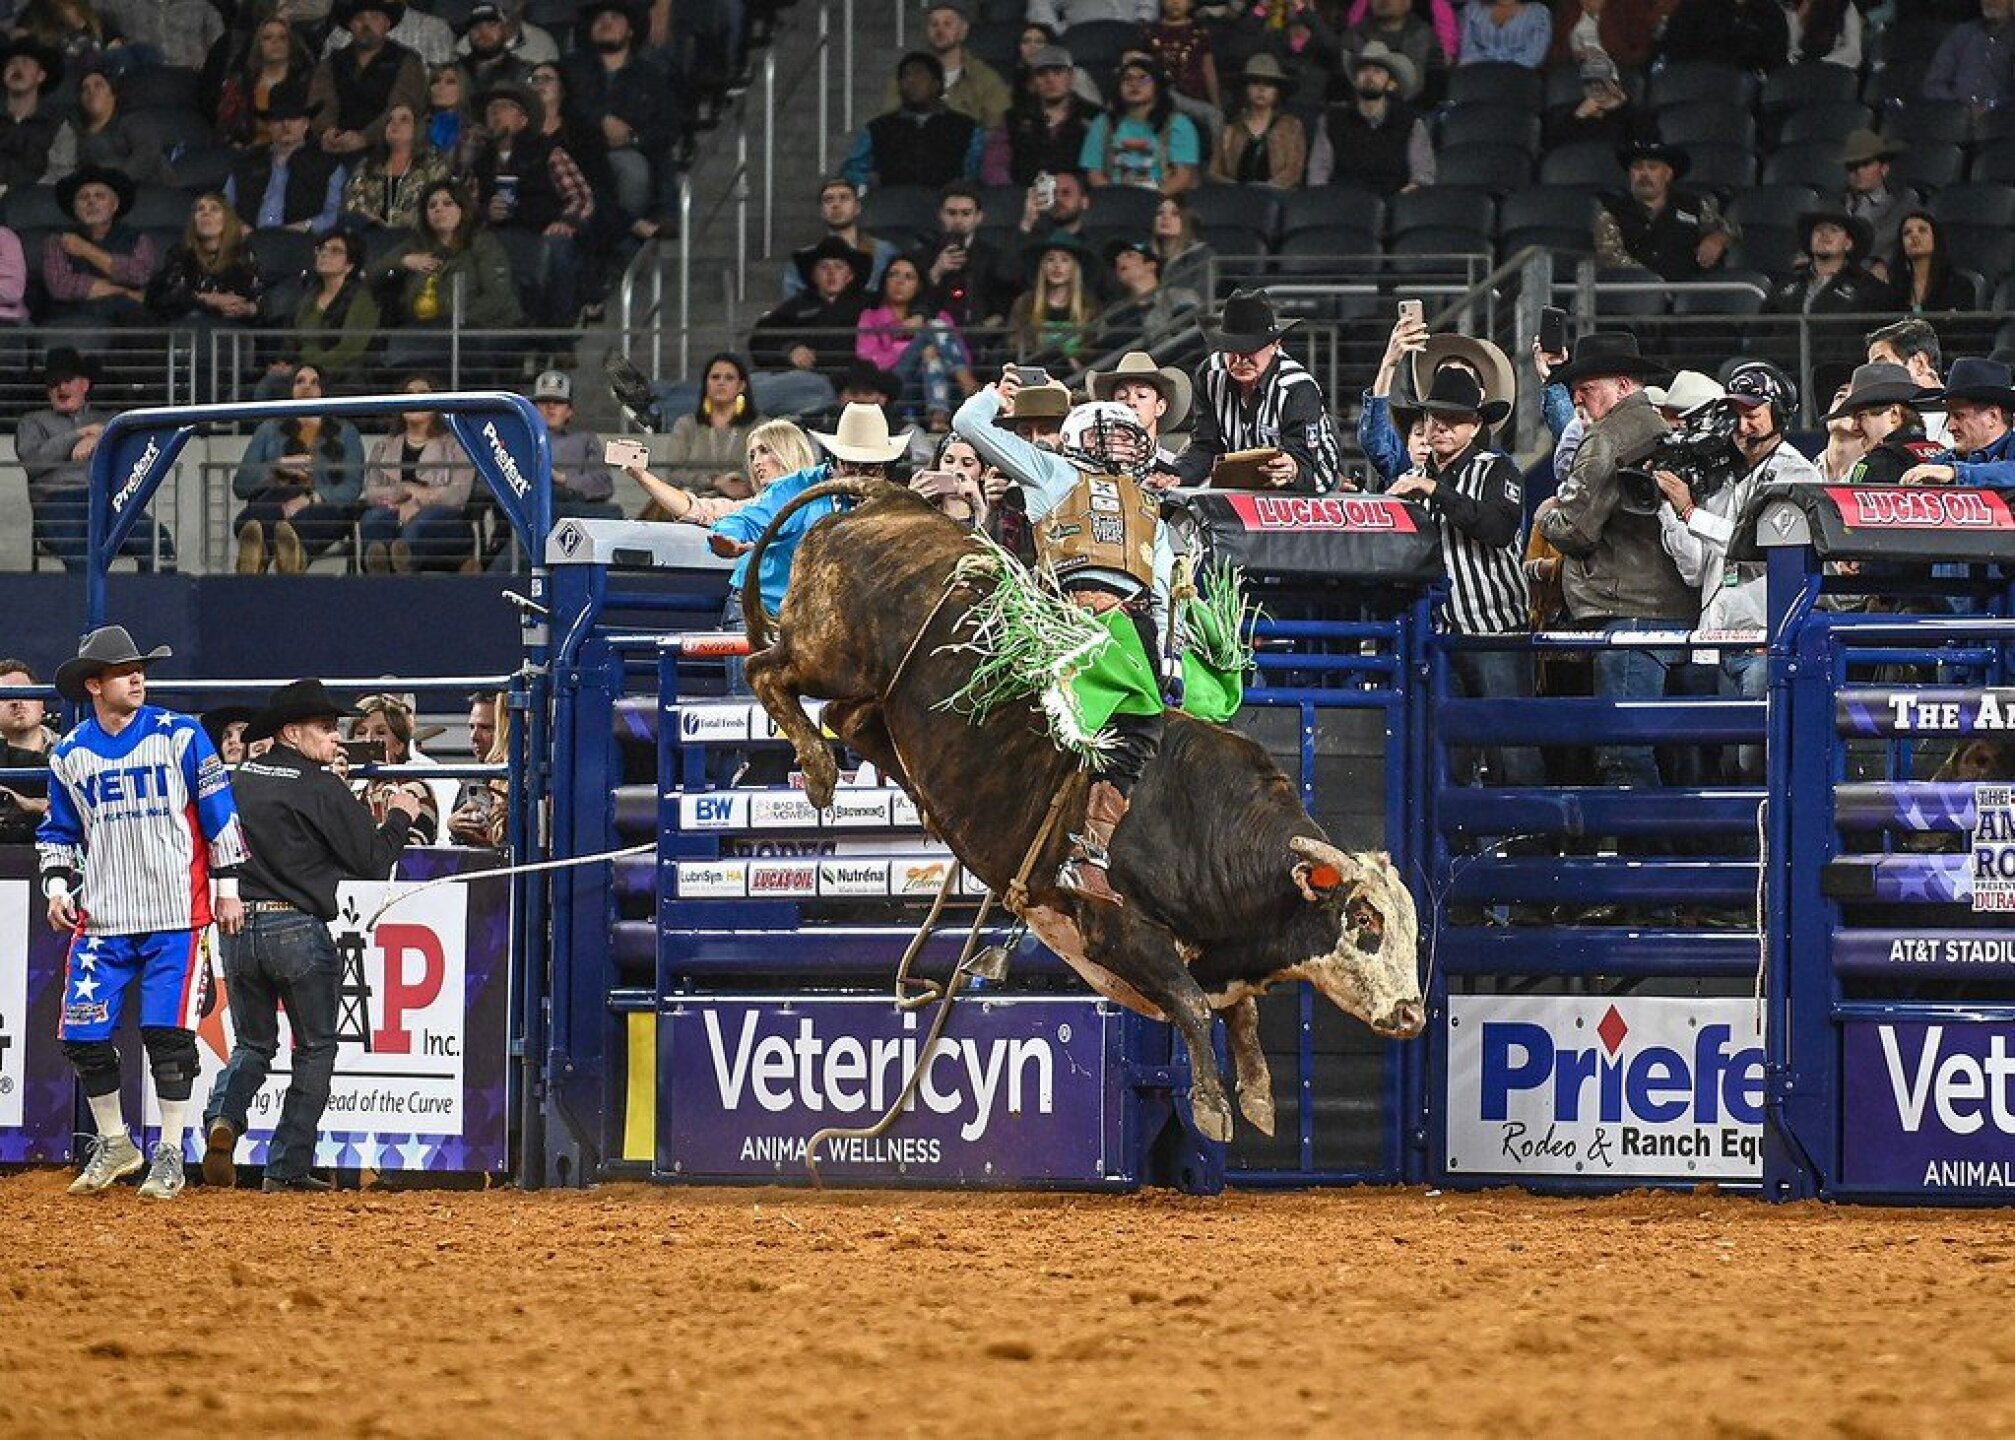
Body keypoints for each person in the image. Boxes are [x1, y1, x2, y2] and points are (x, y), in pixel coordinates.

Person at [39, 625, 248, 1200]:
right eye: (123, 670)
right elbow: (58, 830)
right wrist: (57, 882)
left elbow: (218, 811)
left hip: (176, 913)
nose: (137, 677)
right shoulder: (70, 754)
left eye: (140, 668)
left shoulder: (181, 735)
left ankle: (172, 1151)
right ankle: (116, 1141)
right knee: (82, 1035)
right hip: (102, 917)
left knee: (169, 1039)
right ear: (94, 685)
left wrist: (228, 884)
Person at [953, 377, 1173, 904]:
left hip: (1130, 622)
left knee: (1140, 731)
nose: (1117, 446)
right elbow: (968, 426)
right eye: (1106, 437)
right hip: (1063, 616)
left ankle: (1090, 852)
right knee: (1043, 726)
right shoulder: (1051, 471)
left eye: (1125, 437)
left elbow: (1162, 586)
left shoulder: (1149, 505)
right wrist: (994, 397)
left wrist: (1169, 656)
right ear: (1078, 438)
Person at [199, 679, 420, 1192]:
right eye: (325, 728)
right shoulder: (320, 785)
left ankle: (223, 1116)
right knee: (316, 1048)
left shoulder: (238, 778)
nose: (335, 738)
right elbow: (372, 860)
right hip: (297, 926)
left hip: (237, 924)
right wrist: (401, 817)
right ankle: (287, 1167)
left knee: (253, 1043)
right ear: (292, 733)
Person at [1535, 332, 1691, 793]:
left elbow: (1578, 531)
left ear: (1623, 384)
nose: (1578, 396)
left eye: (1587, 386)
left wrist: (1549, 517)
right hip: (1674, 606)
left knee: (1622, 751)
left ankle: (1646, 856)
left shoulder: (1605, 437)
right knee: (1671, 748)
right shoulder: (1663, 429)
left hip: (1628, 612)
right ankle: (1673, 851)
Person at [1651, 362, 1820, 780]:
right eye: (1738, 415)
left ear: (1779, 414)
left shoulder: (1796, 473)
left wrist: (1690, 510)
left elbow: (1758, 546)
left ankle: (1767, 848)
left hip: (1763, 644)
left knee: (1755, 765)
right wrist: (1669, 510)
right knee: (1709, 769)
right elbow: (1695, 570)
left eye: (1753, 414)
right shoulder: (1725, 477)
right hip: (1713, 641)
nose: (1743, 426)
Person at [1385, 369, 1542, 788]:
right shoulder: (1413, 479)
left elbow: (1496, 528)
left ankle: (1533, 844)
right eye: (1435, 417)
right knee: (1444, 754)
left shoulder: (1498, 470)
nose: (1440, 427)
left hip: (1495, 633)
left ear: (1476, 425)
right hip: (1439, 635)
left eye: (1453, 419)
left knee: (1512, 747)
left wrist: (1435, 492)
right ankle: (1454, 849)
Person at [707, 403, 913, 621]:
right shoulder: (795, 489)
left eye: (870, 468)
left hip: (827, 619)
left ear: (884, 468)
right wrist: (729, 539)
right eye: (851, 466)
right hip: (765, 611)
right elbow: (746, 520)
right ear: (835, 460)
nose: (860, 476)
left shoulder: (891, 502)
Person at [1169, 288, 1342, 493]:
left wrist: (1292, 469)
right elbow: (1205, 446)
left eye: (1250, 349)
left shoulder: (1297, 387)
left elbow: (1306, 462)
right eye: (1232, 348)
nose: (1241, 360)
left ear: (1275, 344)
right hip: (1241, 484)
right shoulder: (1209, 374)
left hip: (1311, 484)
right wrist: (1175, 476)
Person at [19, 347, 172, 570]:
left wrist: (100, 434)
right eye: (54, 383)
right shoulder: (32, 422)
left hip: (107, 500)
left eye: (68, 380)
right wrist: (80, 433)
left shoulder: (109, 419)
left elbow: (134, 446)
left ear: (85, 385)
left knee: (158, 542)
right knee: (81, 554)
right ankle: (89, 605)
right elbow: (32, 464)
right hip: (56, 502)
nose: (61, 388)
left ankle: (155, 603)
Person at [468, 79, 593, 326]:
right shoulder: (478, 160)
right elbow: (462, 205)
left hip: (539, 231)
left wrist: (565, 221)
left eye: (504, 107)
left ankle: (560, 334)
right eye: (491, 108)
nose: (494, 113)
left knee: (557, 248)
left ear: (524, 120)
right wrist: (485, 212)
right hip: (494, 235)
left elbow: (580, 196)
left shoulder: (549, 152)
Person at [233, 362, 366, 573]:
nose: (306, 388)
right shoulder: (268, 429)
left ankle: (277, 555)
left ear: (324, 390)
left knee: (307, 522)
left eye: (314, 383)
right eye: (299, 382)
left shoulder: (346, 432)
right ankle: (264, 556)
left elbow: (351, 488)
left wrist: (311, 499)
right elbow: (241, 485)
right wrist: (277, 467)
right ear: (290, 389)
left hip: (323, 505)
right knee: (257, 516)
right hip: (278, 499)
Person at [559, 0, 677, 232]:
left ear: (631, 30)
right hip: (581, 157)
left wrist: (632, 139)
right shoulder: (568, 69)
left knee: (633, 166)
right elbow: (563, 109)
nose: (606, 22)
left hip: (633, 157)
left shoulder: (651, 75)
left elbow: (668, 127)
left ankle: (646, 224)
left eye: (615, 17)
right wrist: (601, 121)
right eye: (600, 18)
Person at [360, 374, 478, 571]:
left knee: (420, 523)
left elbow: (457, 495)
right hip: (394, 513)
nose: (414, 399)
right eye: (408, 394)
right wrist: (402, 494)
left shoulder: (456, 445)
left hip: (444, 521)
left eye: (423, 393)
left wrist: (417, 502)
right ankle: (381, 568)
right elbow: (371, 493)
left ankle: (403, 565)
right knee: (373, 520)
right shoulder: (383, 446)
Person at [384, 178, 523, 340]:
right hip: (425, 334)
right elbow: (376, 273)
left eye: (447, 203)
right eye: (432, 205)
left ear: (462, 210)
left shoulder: (483, 243)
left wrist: (454, 327)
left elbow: (497, 299)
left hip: (483, 332)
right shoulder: (416, 245)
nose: (439, 209)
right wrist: (403, 262)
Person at [1592, 141, 1735, 282]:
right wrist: (1654, 285)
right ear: (1630, 174)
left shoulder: (1693, 206)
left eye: (1652, 167)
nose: (1644, 174)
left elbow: (1733, 230)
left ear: (1668, 174)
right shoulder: (1611, 212)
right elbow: (1612, 259)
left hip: (1688, 295)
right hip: (1634, 296)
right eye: (1638, 167)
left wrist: (1717, 239)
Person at [855, 254, 976, 420]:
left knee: (931, 351)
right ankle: (968, 386)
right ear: (884, 282)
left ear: (918, 286)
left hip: (932, 384)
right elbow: (868, 359)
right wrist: (910, 347)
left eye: (908, 277)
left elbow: (963, 356)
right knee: (934, 330)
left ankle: (938, 415)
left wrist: (924, 349)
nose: (899, 282)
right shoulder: (870, 317)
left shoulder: (939, 315)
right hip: (894, 383)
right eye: (893, 275)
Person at [843, 50, 982, 191]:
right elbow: (852, 170)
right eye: (905, 76)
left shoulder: (965, 126)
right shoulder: (877, 128)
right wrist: (867, 180)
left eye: (920, 75)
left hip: (947, 206)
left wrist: (965, 183)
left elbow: (976, 168)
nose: (912, 81)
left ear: (937, 84)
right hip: (891, 205)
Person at [308, 0, 429, 161]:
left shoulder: (408, 60)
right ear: (350, 25)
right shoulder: (331, 62)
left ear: (387, 23)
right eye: (359, 18)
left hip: (386, 148)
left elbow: (402, 105)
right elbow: (320, 101)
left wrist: (364, 138)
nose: (366, 23)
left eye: (374, 17)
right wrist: (327, 131)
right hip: (335, 146)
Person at [1306, 42, 1431, 195]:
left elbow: (1422, 176)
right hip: (1341, 206)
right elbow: (1318, 174)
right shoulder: (1331, 120)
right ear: (1355, 80)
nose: (1370, 76)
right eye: (1364, 70)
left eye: (1378, 71)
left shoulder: (1410, 123)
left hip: (1393, 206)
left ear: (1390, 83)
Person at [750, 234, 870, 393]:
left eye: (839, 266)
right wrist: (790, 350)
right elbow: (762, 338)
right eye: (824, 267)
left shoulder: (869, 303)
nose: (831, 272)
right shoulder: (796, 306)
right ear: (813, 275)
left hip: (858, 384)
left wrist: (916, 316)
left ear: (849, 276)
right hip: (804, 382)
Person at [224, 80, 345, 233]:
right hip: (247, 245)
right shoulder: (245, 162)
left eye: (294, 118)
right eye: (279, 118)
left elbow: (333, 215)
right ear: (269, 125)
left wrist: (302, 228)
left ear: (306, 123)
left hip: (301, 245)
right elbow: (224, 206)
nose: (286, 125)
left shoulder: (329, 166)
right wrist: (240, 228)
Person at [268, 231, 380, 396]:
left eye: (335, 251)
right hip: (300, 373)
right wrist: (283, 363)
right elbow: (292, 338)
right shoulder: (308, 295)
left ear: (349, 265)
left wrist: (302, 369)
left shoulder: (361, 298)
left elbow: (350, 349)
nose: (325, 254)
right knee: (268, 384)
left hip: (338, 375)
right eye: (322, 249)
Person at [42, 163, 154, 327]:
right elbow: (60, 286)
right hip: (74, 317)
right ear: (74, 208)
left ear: (114, 205)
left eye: (99, 196)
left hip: (126, 319)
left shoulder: (139, 239)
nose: (91, 202)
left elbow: (138, 275)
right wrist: (123, 291)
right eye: (83, 197)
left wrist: (85, 250)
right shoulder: (56, 240)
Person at [1079, 53, 1197, 195]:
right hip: (1115, 201)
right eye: (1127, 78)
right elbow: (1095, 175)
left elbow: (1182, 177)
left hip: (1163, 201)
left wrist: (1149, 201)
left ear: (1157, 85)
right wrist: (1117, 200)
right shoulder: (1103, 123)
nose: (1134, 84)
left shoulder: (1178, 124)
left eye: (1143, 78)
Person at [144, 192, 265, 328]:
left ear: (227, 219)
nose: (206, 214)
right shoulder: (180, 253)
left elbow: (259, 300)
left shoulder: (243, 255)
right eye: (200, 209)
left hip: (232, 328)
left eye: (214, 209)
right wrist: (208, 299)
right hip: (188, 328)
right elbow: (171, 296)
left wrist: (247, 309)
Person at [888, 0, 1011, 130]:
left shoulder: (985, 78)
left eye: (947, 24)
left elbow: (997, 131)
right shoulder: (906, 75)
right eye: (934, 24)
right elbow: (889, 122)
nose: (939, 30)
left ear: (963, 30)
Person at [41, 61, 165, 185]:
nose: (91, 91)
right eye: (85, 88)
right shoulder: (75, 130)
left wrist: (111, 185)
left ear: (112, 94)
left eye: (98, 85)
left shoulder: (135, 119)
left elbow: (148, 153)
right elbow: (62, 168)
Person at [339, 99, 453, 232]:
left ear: (417, 128)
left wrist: (395, 221)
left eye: (404, 120)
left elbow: (437, 208)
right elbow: (351, 204)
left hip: (415, 237)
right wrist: (372, 220)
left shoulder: (434, 166)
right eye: (389, 120)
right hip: (371, 236)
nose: (394, 124)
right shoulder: (368, 164)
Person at [1899, 358, 2015, 489]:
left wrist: (1956, 472)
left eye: (1959, 416)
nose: (1950, 427)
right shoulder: (1941, 462)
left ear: (1992, 417)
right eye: (1948, 416)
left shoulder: (1945, 468)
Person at [911, 181, 1007, 334]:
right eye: (952, 213)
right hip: (930, 338)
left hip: (979, 339)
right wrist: (936, 272)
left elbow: (1003, 305)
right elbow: (912, 303)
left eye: (966, 213)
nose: (958, 220)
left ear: (979, 217)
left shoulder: (992, 256)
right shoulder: (922, 255)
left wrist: (982, 329)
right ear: (941, 215)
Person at [997, 43, 1099, 186]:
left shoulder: (1095, 116)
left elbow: (1101, 169)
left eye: (1057, 72)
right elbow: (996, 164)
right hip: (1024, 197)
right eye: (1041, 73)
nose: (1050, 79)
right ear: (1032, 81)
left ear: (1071, 77)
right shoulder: (1013, 118)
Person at [783, 177, 900, 299]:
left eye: (844, 198)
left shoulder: (884, 252)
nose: (836, 204)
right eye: (829, 200)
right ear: (822, 211)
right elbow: (792, 309)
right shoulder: (803, 261)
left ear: (857, 208)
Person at [531, 369, 621, 519]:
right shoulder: (521, 440)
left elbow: (604, 484)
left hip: (573, 513)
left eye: (559, 402)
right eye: (544, 401)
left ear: (569, 411)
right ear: (533, 408)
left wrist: (562, 478)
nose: (551, 406)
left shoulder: (584, 439)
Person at [1766, 209, 1892, 316]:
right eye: (1819, 229)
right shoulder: (1783, 285)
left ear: (1848, 244)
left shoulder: (1868, 287)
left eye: (1834, 230)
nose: (1825, 234)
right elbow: (1758, 334)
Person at [1088, 349, 1189, 481]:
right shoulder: (1095, 467)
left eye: (1141, 395)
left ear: (1160, 407)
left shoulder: (1173, 470)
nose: (1131, 402)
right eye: (1122, 397)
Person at [214, 15, 314, 148]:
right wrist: (235, 144)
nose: (275, 42)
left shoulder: (307, 81)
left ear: (291, 43)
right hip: (249, 154)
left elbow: (316, 127)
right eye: (268, 37)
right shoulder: (241, 82)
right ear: (259, 44)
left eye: (282, 37)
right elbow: (225, 127)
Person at [1828, 362, 1937, 485]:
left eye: (1861, 417)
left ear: (1894, 414)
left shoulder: (1876, 465)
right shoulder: (1944, 456)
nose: (1855, 427)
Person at [1210, 53, 1304, 189]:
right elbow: (1215, 171)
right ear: (1245, 89)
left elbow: (1294, 170)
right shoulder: (1231, 129)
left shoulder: (1291, 127)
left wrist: (1266, 188)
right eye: (1255, 82)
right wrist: (1238, 189)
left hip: (1279, 201)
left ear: (1277, 91)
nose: (1261, 89)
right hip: (1236, 201)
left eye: (1268, 84)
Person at [1007, 234, 1099, 371]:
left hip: (1076, 378)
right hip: (1035, 378)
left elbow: (1096, 348)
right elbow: (1014, 344)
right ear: (1042, 267)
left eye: (1065, 260)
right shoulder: (1025, 304)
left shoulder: (1089, 305)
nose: (1057, 266)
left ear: (1074, 267)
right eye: (1050, 260)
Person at [1837, 129, 1918, 283]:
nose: (1858, 171)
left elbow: (1909, 242)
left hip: (1876, 280)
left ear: (1884, 169)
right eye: (1852, 166)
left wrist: (1885, 263)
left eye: (1866, 164)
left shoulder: (1904, 203)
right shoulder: (1834, 203)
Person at [1924, 0, 2015, 123]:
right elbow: (1933, 84)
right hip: (1954, 121)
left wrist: (1992, 108)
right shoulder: (1962, 34)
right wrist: (1962, 106)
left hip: (2003, 124)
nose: (1991, 2)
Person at [1866, 317, 1950, 447]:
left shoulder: (1964, 415)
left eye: (1881, 365)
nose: (1873, 377)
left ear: (1919, 363)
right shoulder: (1877, 421)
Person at [0, 658, 53, 844]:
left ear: (42, 702)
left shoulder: (72, 752)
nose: (17, 702)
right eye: (5, 696)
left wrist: (30, 805)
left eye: (25, 692)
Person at [1655, 0, 1787, 73]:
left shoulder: (1770, 14)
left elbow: (1777, 70)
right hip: (1694, 101)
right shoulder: (1692, 9)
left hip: (1751, 107)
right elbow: (1673, 60)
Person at [0, 38, 63, 188]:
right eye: (12, 63)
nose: (17, 67)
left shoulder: (58, 123)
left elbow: (60, 171)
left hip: (31, 202)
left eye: (26, 63)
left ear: (41, 76)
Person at [1890, 211, 1973, 316]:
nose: (1914, 235)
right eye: (1907, 232)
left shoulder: (1959, 286)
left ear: (1935, 239)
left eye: (1922, 230)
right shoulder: (1894, 287)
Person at [1458, 0, 1551, 66]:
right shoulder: (1472, 8)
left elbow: (1534, 56)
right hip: (1477, 74)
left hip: (1520, 77)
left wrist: (1506, 69)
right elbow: (1467, 50)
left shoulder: (1537, 13)